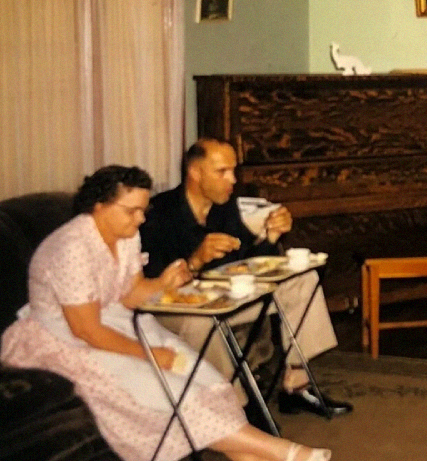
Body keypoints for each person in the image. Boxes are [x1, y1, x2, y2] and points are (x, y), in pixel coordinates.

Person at [0, 166, 330, 461]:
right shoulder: (69, 248)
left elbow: (130, 295)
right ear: (99, 206)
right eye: (132, 210)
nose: (141, 218)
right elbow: (85, 329)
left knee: (203, 376)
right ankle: (284, 452)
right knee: (164, 390)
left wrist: (165, 282)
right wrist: (148, 354)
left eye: (143, 210)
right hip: (59, 339)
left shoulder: (126, 235)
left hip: (114, 321)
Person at [139, 138, 352, 417]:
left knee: (303, 281)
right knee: (203, 321)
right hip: (181, 309)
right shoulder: (159, 213)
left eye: (233, 170)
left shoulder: (224, 207)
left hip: (227, 300)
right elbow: (149, 281)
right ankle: (235, 409)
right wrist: (195, 261)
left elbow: (246, 264)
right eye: (222, 172)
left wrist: (271, 236)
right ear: (195, 173)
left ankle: (296, 386)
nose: (233, 179)